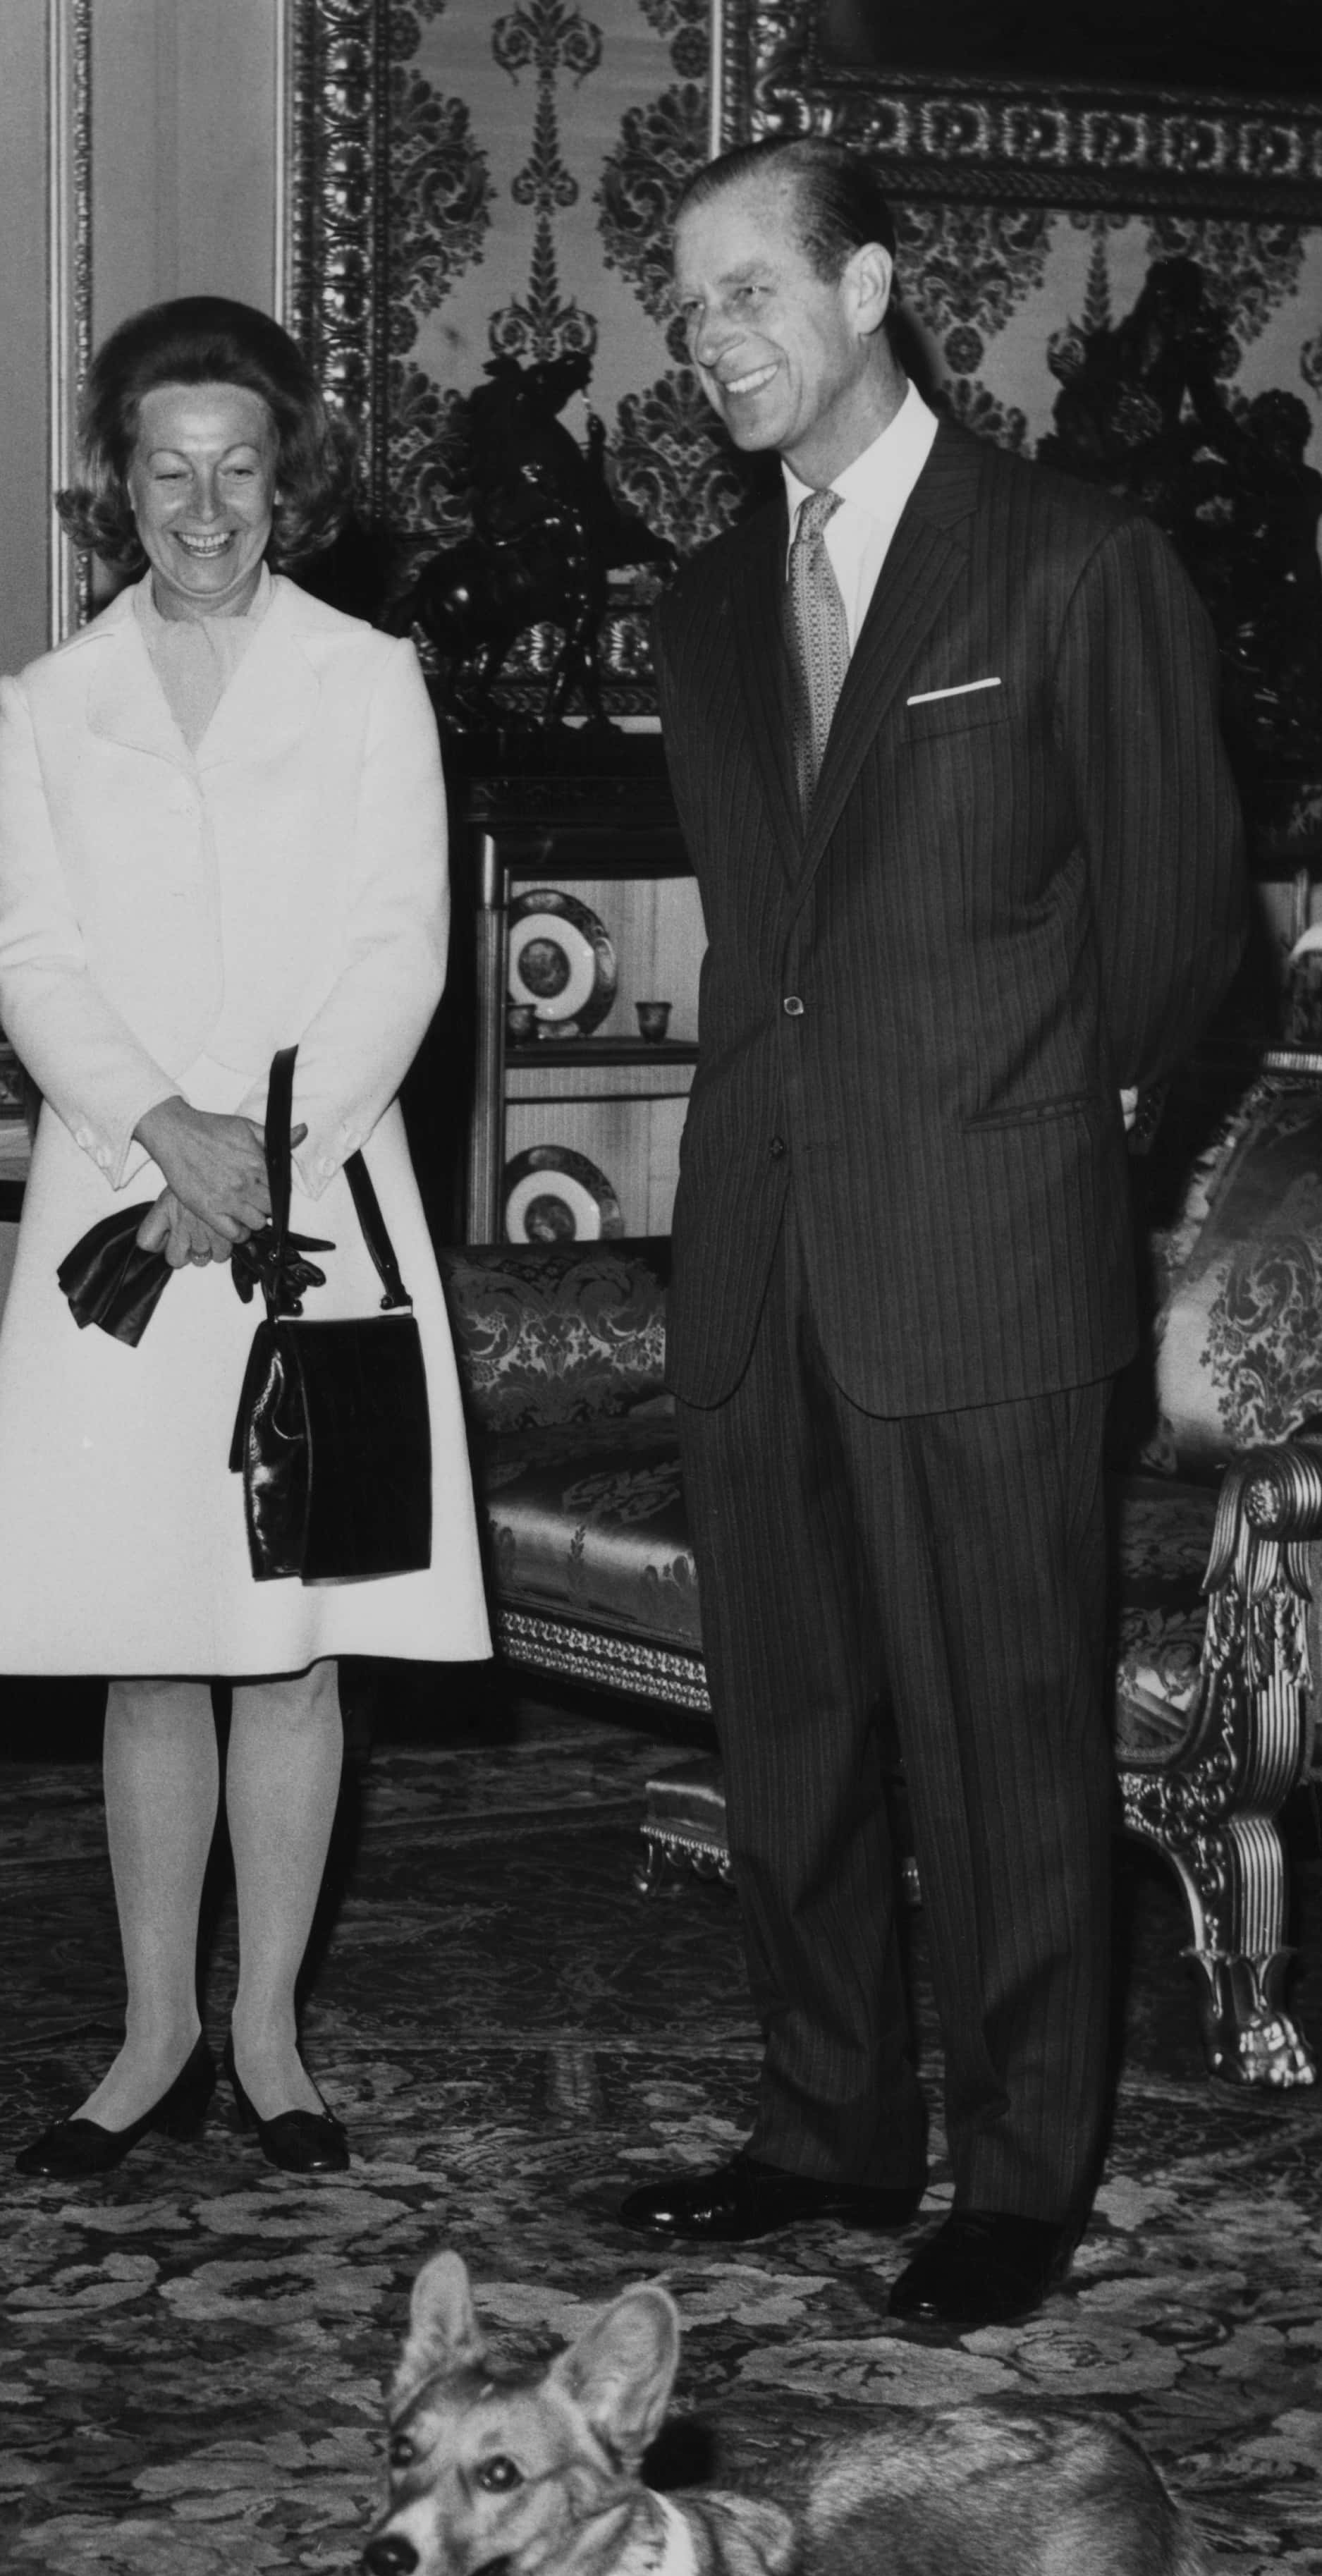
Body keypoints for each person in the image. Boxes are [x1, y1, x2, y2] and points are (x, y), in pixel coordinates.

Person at [623, 139, 1247, 2329]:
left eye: (748, 292)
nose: (712, 342)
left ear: (871, 282)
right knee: (784, 1719)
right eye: (683, 308)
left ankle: (1013, 2177)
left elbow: (1185, 943)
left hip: (984, 1245)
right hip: (758, 1241)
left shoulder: (1070, 566)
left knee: (1002, 1735)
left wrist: (1055, 1148)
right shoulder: (705, 608)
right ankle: (821, 2125)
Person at [0, 297, 489, 2180]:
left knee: (288, 1631)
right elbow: (29, 953)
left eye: (237, 470)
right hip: (119, 1211)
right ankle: (151, 2027)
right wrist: (155, 1132)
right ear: (118, 486)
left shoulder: (362, 678)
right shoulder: (46, 702)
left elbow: (395, 949)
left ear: (286, 483)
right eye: (166, 471)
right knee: (145, 1632)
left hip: (304, 1211)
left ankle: (268, 2039)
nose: (203, 507)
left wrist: (257, 1157)